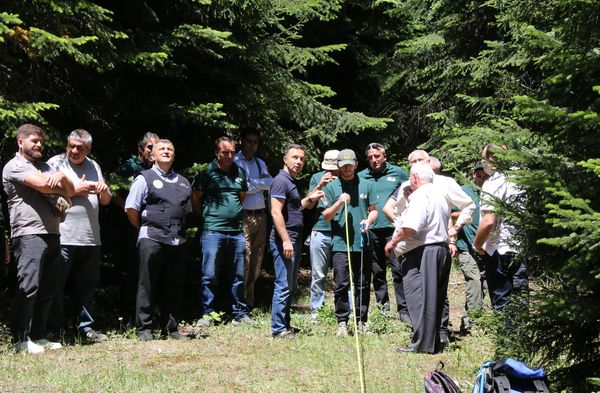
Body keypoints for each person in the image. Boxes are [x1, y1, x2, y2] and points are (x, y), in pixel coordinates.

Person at [2, 124, 74, 353]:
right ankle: (20, 339)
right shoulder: (14, 166)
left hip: (53, 232)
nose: (39, 145)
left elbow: (70, 191)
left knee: (48, 288)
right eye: (34, 141)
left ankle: (38, 335)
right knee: (29, 287)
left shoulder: (45, 166)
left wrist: (61, 176)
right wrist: (58, 181)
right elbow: (43, 185)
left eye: (41, 141)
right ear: (20, 142)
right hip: (28, 233)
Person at [47, 129, 112, 343]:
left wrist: (104, 191)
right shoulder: (55, 163)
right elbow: (44, 191)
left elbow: (105, 201)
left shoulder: (94, 165)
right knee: (56, 285)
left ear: (88, 149)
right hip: (63, 234)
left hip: (90, 236)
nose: (74, 150)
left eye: (80, 148)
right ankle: (53, 330)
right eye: (71, 146)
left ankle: (85, 328)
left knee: (88, 286)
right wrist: (75, 189)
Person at [125, 139, 192, 341]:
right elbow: (131, 208)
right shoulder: (144, 178)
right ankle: (144, 328)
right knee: (147, 284)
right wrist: (147, 228)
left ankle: (171, 328)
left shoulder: (183, 181)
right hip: (152, 239)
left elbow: (186, 212)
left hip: (176, 241)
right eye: (161, 149)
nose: (166, 152)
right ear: (152, 155)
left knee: (173, 285)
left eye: (170, 149)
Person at [385, 162, 451, 354]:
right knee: (434, 297)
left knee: (418, 296)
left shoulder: (421, 195)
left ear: (414, 178)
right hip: (440, 248)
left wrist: (393, 242)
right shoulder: (439, 194)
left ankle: (421, 343)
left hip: (423, 251)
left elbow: (411, 227)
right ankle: (432, 341)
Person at [193, 136, 251, 326]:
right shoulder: (206, 173)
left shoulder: (240, 172)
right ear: (217, 152)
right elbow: (195, 198)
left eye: (233, 152)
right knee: (209, 274)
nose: (229, 155)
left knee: (238, 275)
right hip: (213, 231)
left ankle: (240, 313)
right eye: (225, 152)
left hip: (236, 232)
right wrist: (208, 217)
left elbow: (240, 197)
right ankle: (208, 314)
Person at [321, 149, 378, 336]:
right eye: (343, 165)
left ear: (356, 165)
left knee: (363, 283)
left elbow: (374, 210)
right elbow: (326, 215)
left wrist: (368, 222)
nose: (347, 169)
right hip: (340, 243)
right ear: (338, 166)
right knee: (341, 283)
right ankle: (342, 322)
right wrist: (338, 203)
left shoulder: (367, 184)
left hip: (362, 243)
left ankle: (361, 321)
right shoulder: (331, 187)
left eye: (350, 165)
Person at [270, 144, 324, 338]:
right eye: (294, 157)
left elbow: (296, 207)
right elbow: (275, 212)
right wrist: (285, 240)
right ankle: (278, 329)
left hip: (294, 238)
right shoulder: (280, 181)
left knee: (290, 286)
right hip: (285, 240)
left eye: (302, 158)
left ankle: (285, 325)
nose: (299, 162)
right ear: (285, 159)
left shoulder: (290, 181)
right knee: (283, 285)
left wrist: (312, 195)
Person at [358, 142, 409, 323]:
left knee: (398, 270)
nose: (374, 160)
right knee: (377, 271)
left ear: (384, 156)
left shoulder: (399, 173)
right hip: (371, 231)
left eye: (377, 156)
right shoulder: (361, 176)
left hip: (394, 230)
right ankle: (383, 309)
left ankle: (404, 310)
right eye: (370, 157)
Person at [112, 132, 159, 325]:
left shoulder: (157, 169)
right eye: (149, 147)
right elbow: (111, 188)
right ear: (140, 149)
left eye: (155, 148)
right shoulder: (129, 167)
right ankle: (128, 315)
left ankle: (148, 313)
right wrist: (128, 207)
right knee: (132, 271)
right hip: (131, 228)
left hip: (152, 228)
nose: (152, 151)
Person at [473, 144, 527, 310]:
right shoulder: (520, 179)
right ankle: (521, 335)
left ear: (492, 158)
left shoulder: (494, 182)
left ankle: (508, 335)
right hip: (519, 247)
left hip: (498, 250)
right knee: (521, 301)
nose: (483, 164)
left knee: (502, 302)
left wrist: (477, 244)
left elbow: (489, 220)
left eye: (484, 160)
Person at [233, 129, 273, 309]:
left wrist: (253, 183)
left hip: (261, 216)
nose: (252, 145)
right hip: (244, 215)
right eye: (249, 141)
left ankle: (248, 303)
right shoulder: (234, 161)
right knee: (244, 260)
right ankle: (239, 304)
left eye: (255, 142)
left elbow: (269, 182)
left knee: (256, 261)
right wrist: (258, 183)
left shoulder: (260, 162)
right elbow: (241, 187)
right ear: (241, 141)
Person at [452, 161, 488, 333]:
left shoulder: (491, 191)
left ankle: (471, 322)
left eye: (484, 176)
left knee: (484, 285)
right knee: (474, 281)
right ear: (473, 174)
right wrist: (465, 215)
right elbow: (449, 212)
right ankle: (473, 323)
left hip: (487, 246)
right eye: (478, 176)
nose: (481, 179)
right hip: (466, 246)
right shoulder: (463, 191)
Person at [307, 150, 339, 319]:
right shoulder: (316, 177)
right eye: (329, 169)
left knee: (342, 274)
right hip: (320, 230)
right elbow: (308, 205)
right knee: (318, 274)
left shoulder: (346, 177)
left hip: (340, 231)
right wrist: (320, 186)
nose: (331, 172)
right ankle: (317, 311)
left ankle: (343, 310)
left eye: (335, 169)